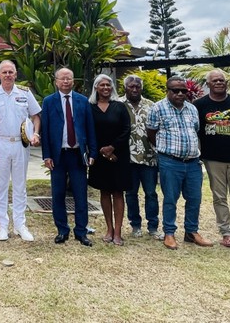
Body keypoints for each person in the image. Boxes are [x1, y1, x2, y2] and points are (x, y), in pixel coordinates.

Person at [147, 76, 213, 250]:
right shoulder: (157, 108)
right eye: (175, 90)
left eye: (183, 90)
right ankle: (169, 233)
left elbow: (196, 131)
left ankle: (191, 232)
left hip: (192, 163)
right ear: (168, 91)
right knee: (170, 199)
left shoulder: (192, 109)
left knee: (194, 199)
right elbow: (151, 134)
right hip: (170, 162)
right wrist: (166, 149)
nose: (180, 93)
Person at [194, 69, 230, 249]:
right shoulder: (199, 105)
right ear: (208, 84)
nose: (219, 82)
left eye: (222, 80)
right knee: (219, 197)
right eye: (215, 81)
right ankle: (226, 233)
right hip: (212, 159)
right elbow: (197, 128)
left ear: (226, 83)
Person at [0, 60, 41, 242]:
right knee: (0, 186)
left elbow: (36, 116)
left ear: (16, 74)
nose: (8, 75)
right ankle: (2, 225)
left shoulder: (24, 93)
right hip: (0, 142)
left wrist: (36, 134)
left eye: (11, 72)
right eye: (4, 72)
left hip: (20, 144)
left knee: (19, 185)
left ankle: (20, 224)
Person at [41, 68, 96, 246]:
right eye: (62, 79)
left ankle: (81, 231)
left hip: (77, 154)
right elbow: (46, 130)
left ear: (73, 81)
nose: (66, 81)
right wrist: (47, 155)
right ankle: (62, 230)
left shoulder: (82, 101)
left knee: (81, 194)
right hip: (58, 155)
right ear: (56, 81)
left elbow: (90, 129)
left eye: (69, 78)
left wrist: (92, 152)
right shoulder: (49, 102)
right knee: (58, 194)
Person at [88, 74, 131, 245]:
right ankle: (109, 229)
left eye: (108, 85)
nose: (105, 88)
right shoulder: (90, 107)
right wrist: (102, 151)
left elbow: (127, 130)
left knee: (118, 192)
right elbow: (88, 130)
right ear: (96, 88)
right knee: (104, 192)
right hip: (99, 156)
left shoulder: (119, 106)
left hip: (119, 155)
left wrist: (112, 148)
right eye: (102, 85)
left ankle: (118, 232)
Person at [119, 75, 162, 240]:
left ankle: (153, 227)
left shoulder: (151, 106)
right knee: (130, 194)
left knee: (151, 193)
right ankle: (135, 225)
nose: (135, 89)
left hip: (149, 157)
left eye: (137, 86)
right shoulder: (118, 105)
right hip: (127, 158)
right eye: (131, 86)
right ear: (125, 88)